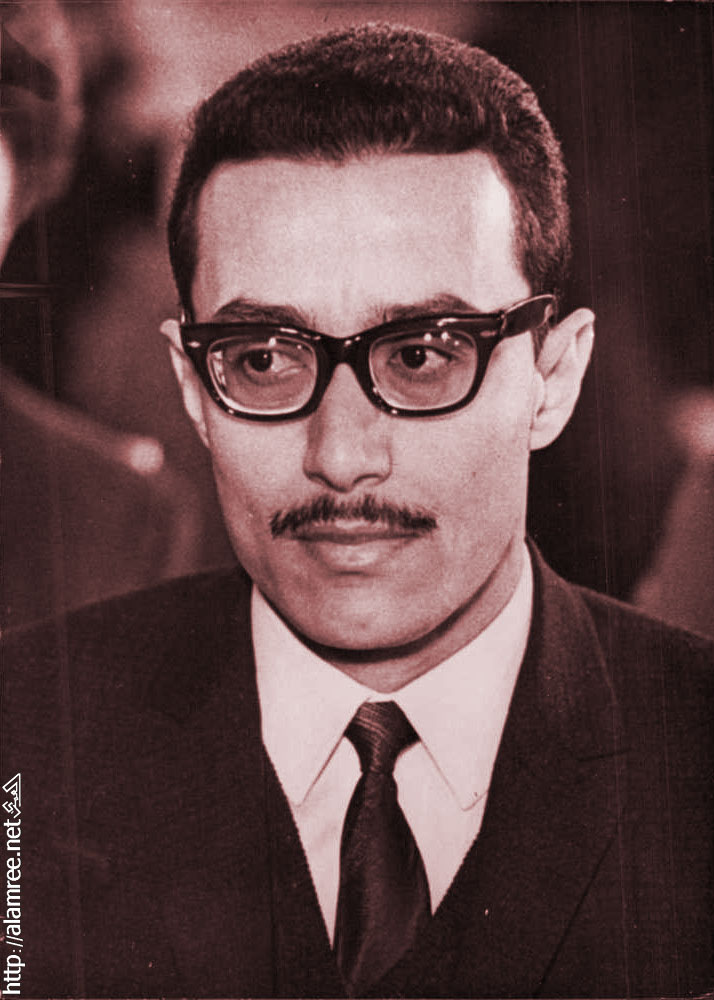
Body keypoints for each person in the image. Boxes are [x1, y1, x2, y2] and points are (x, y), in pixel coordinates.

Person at [2, 23, 712, 999]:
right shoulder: (26, 736)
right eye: (263, 359)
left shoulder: (693, 751)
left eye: (422, 356)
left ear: (554, 377)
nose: (340, 456)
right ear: (192, 388)